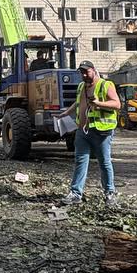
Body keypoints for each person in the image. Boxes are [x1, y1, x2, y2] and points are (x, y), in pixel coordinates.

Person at [58, 60, 121, 205]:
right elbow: (78, 102)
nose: (84, 75)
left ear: (93, 70)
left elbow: (117, 104)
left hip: (101, 131)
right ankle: (75, 194)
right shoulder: (82, 86)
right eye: (82, 72)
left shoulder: (106, 85)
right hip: (82, 131)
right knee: (80, 161)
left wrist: (99, 104)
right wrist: (66, 112)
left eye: (86, 72)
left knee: (104, 162)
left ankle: (110, 193)